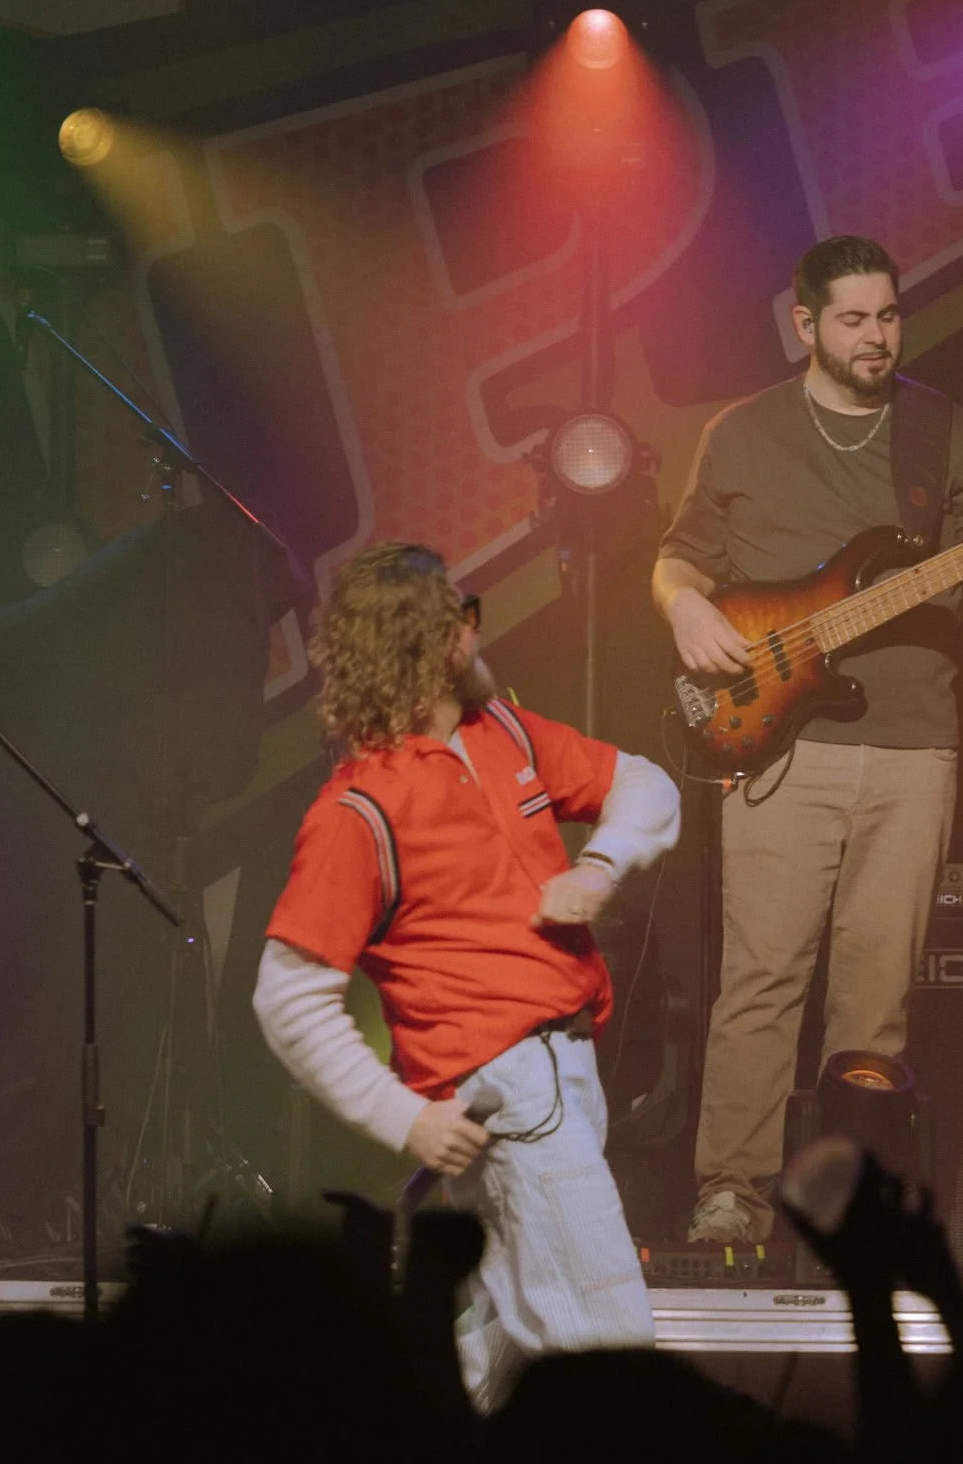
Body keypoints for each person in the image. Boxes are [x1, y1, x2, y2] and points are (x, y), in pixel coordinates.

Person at [651, 233, 963, 1244]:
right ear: (805, 324)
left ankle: (844, 1204)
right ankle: (732, 1192)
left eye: (888, 315)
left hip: (915, 741)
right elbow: (678, 558)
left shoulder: (947, 432)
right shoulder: (742, 432)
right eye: (852, 319)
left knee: (877, 994)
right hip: (779, 739)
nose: (876, 335)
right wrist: (684, 608)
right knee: (762, 974)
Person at [253, 542, 681, 1407]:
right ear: (434, 643)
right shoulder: (359, 808)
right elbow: (288, 995)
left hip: (565, 1077)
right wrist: (403, 1116)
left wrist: (599, 865)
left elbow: (644, 782)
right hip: (511, 1093)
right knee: (611, 1353)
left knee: (503, 1350)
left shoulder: (503, 733)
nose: (478, 629)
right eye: (464, 614)